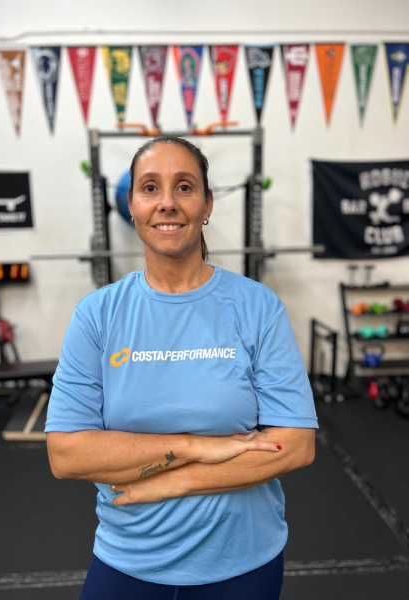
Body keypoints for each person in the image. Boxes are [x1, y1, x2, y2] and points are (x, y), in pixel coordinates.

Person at [44, 135, 318, 600]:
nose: (167, 202)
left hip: (242, 562)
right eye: (150, 188)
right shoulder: (97, 314)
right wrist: (195, 446)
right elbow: (67, 454)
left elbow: (294, 446)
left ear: (207, 204)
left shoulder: (257, 307)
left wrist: (178, 480)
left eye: (184, 187)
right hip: (128, 560)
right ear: (131, 205)